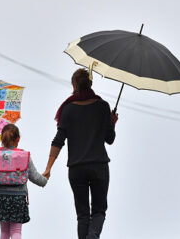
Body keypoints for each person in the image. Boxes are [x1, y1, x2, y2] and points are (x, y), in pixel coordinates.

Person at [43, 68, 118, 239]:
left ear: (74, 85)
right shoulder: (103, 106)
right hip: (99, 166)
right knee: (99, 211)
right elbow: (110, 138)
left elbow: (58, 140)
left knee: (82, 215)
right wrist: (112, 123)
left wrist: (48, 168)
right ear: (91, 84)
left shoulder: (67, 110)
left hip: (76, 168)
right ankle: (93, 236)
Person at [0, 124, 47, 239]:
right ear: (18, 139)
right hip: (17, 197)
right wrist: (45, 180)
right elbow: (34, 177)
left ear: (2, 138)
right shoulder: (23, 155)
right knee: (16, 231)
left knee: (4, 231)